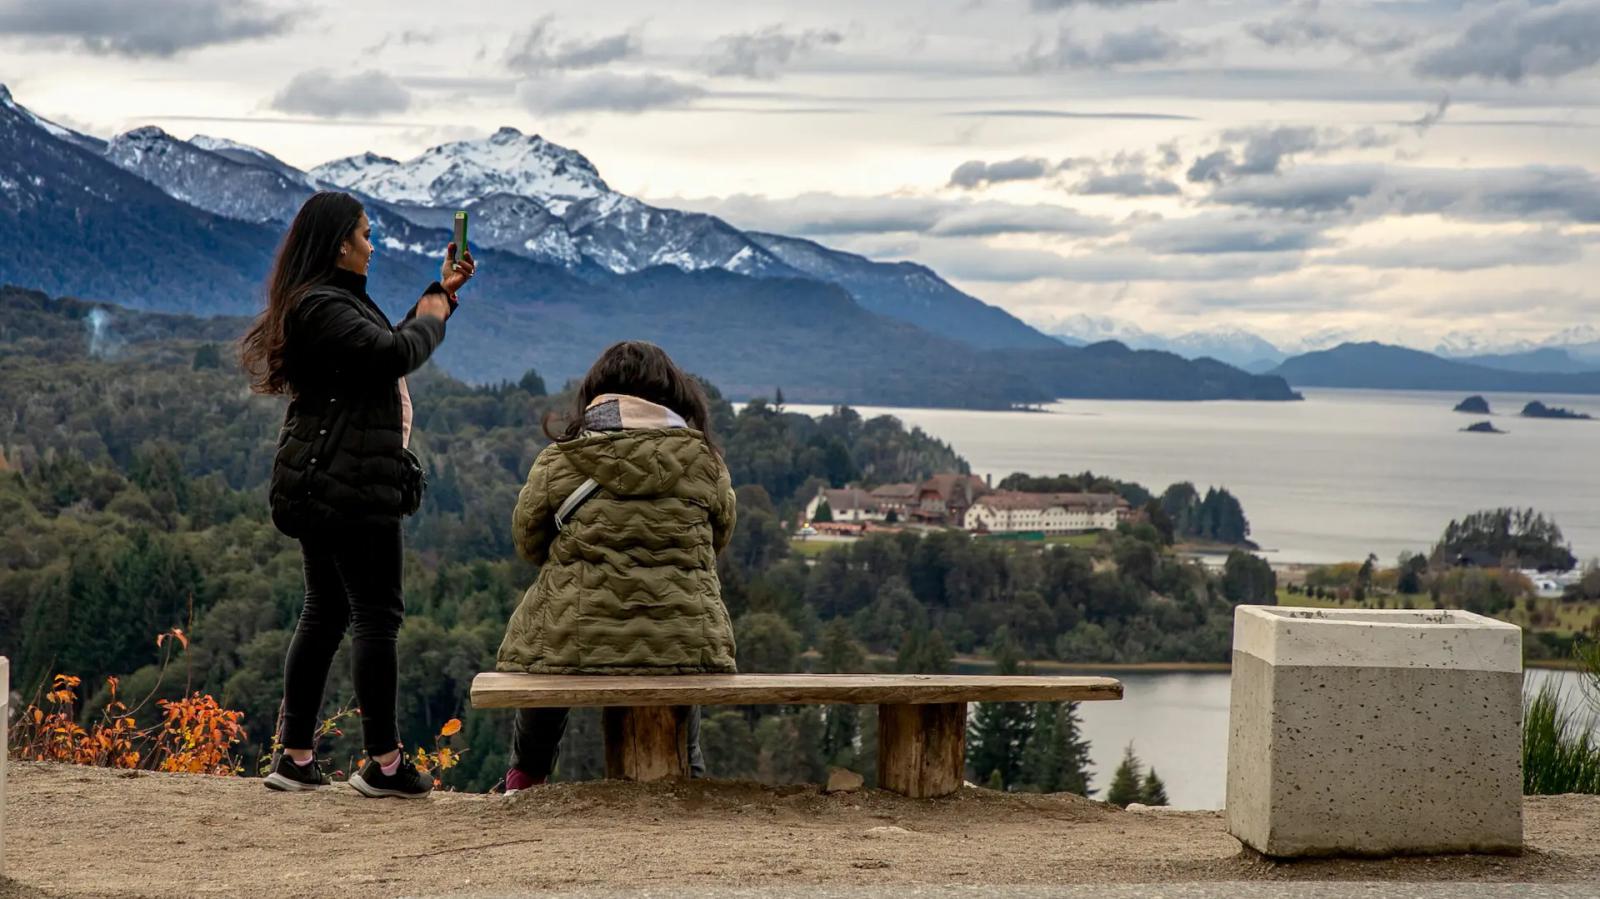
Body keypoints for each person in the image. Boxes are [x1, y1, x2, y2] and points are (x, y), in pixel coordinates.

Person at [240, 190, 475, 797]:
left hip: (326, 478)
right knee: (375, 615)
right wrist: (435, 316)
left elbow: (379, 349)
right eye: (366, 235)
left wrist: (441, 295)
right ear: (341, 241)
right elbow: (394, 352)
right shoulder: (321, 304)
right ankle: (386, 764)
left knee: (328, 610)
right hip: (349, 484)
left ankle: (295, 758)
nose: (372, 246)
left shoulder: (325, 302)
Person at [495, 341, 738, 792]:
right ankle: (690, 781)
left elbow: (528, 543)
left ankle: (525, 776)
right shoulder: (706, 463)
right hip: (680, 638)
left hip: (575, 635)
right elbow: (717, 540)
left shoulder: (561, 459)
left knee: (548, 647)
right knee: (681, 650)